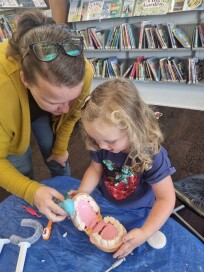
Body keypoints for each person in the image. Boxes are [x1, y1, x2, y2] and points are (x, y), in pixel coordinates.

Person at [0, 9, 93, 222]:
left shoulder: (83, 71)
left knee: (57, 156)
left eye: (71, 99)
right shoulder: (2, 89)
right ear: (25, 80)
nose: (67, 109)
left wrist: (60, 149)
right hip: (7, 111)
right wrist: (31, 190)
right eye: (55, 101)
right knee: (20, 168)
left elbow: (70, 117)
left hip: (32, 108)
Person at [70, 78, 176, 258]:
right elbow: (95, 170)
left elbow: (166, 199)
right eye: (96, 139)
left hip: (141, 212)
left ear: (133, 128)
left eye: (110, 141)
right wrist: (82, 196)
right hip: (107, 203)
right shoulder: (102, 145)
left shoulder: (152, 155)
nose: (101, 146)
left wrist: (145, 233)